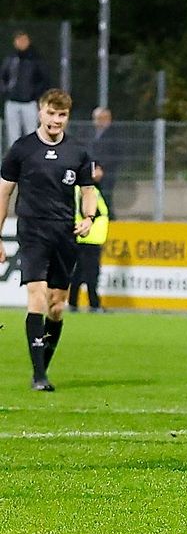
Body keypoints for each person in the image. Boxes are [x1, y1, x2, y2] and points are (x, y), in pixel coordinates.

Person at [0, 89, 98, 391]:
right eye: (51, 113)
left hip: (64, 234)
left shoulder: (78, 153)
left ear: (67, 117)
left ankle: (43, 368)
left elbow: (88, 191)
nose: (56, 120)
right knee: (37, 296)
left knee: (57, 306)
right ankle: (39, 376)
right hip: (32, 232)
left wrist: (88, 218)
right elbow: (4, 192)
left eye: (62, 115)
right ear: (40, 113)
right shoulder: (21, 149)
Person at [69, 163, 109, 312]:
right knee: (92, 273)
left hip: (87, 238)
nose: (101, 173)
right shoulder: (87, 191)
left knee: (79, 273)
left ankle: (73, 303)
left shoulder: (90, 189)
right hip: (89, 238)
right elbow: (88, 213)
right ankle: (94, 304)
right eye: (97, 169)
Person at [1, 31, 49, 152]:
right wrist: (7, 91)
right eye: (19, 40)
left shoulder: (35, 60)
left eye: (24, 40)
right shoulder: (11, 59)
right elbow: (3, 77)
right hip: (12, 102)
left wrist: (35, 94)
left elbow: (43, 79)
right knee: (12, 135)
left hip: (29, 102)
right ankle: (14, 163)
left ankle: (31, 161)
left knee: (31, 133)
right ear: (15, 42)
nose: (21, 43)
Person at [89, 107, 122, 211]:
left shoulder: (114, 135)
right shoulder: (89, 133)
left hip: (107, 173)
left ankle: (109, 219)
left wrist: (100, 167)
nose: (100, 121)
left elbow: (116, 155)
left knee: (105, 198)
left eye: (104, 118)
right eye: (98, 118)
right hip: (90, 171)